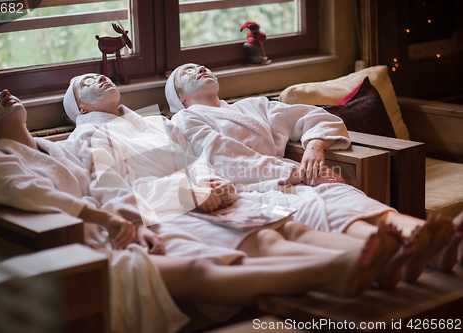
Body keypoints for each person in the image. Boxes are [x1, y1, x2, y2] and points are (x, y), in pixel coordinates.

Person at [0, 90, 396, 333]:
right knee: (228, 254)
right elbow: (75, 191)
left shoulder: (64, 147)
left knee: (278, 228)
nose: (4, 95)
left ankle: (377, 258)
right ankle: (345, 267)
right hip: (109, 230)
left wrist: (206, 184)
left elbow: (130, 179)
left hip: (164, 206)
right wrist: (121, 218)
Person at [63, 73, 404, 290]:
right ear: (78, 106)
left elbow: (195, 161)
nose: (101, 79)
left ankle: (385, 258)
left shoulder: (154, 124)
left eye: (101, 74)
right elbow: (111, 190)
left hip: (211, 196)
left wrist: (214, 182)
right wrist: (189, 194)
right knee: (267, 238)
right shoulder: (87, 136)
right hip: (173, 209)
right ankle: (361, 264)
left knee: (292, 227)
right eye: (87, 81)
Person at [166, 63, 463, 286]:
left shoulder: (252, 106)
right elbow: (227, 159)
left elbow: (312, 115)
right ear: (179, 95)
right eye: (189, 71)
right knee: (314, 205)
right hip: (253, 189)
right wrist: (296, 173)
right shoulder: (184, 119)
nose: (201, 68)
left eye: (202, 66)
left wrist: (315, 147)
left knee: (344, 194)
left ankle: (431, 243)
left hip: (299, 174)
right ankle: (399, 253)